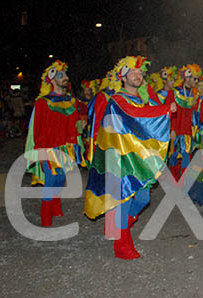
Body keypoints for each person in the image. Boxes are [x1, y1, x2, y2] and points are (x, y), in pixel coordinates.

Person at [84, 56, 175, 259]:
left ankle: (117, 227)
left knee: (143, 198)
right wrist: (164, 109)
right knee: (123, 199)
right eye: (133, 72)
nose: (138, 75)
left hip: (137, 159)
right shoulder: (117, 100)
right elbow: (135, 114)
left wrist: (163, 106)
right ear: (122, 76)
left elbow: (148, 115)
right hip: (119, 159)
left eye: (140, 72)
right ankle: (122, 245)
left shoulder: (143, 98)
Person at [24, 60, 86, 227]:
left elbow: (75, 125)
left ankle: (55, 206)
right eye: (61, 75)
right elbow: (37, 130)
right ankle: (45, 215)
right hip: (49, 148)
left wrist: (80, 127)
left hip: (67, 147)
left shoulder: (71, 100)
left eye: (65, 74)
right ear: (51, 80)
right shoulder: (43, 102)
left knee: (60, 179)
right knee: (52, 179)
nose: (65, 77)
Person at [167, 64, 201, 180]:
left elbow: (194, 116)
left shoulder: (194, 95)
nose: (196, 81)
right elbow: (169, 113)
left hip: (188, 132)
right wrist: (171, 130)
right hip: (176, 131)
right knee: (174, 156)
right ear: (187, 78)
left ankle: (183, 182)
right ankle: (172, 180)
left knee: (186, 155)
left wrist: (196, 131)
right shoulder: (174, 93)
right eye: (194, 79)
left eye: (197, 79)